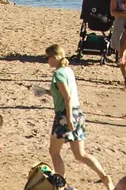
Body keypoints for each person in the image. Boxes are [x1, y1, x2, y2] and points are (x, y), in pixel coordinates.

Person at [46, 44, 112, 187]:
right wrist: (45, 92)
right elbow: (62, 93)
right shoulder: (68, 70)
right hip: (77, 112)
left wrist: (68, 118)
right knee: (80, 154)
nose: (47, 61)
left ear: (54, 57)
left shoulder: (58, 74)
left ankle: (60, 183)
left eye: (48, 57)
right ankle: (104, 177)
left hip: (65, 114)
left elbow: (67, 97)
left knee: (54, 152)